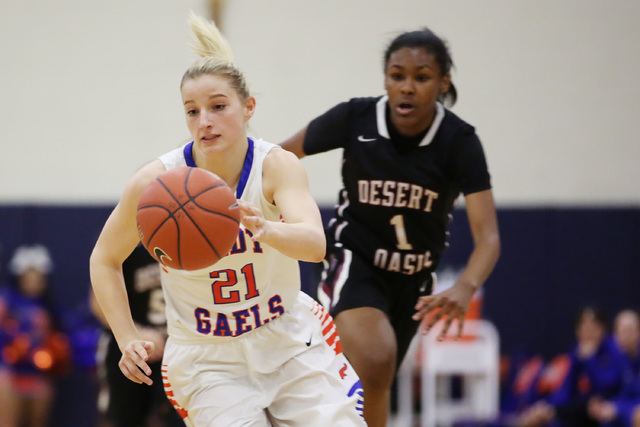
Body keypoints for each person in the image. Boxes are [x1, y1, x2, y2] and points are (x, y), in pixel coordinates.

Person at [89, 13, 365, 427]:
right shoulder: (156, 183)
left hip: (286, 339)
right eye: (192, 111)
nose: (205, 121)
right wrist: (127, 337)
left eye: (218, 107)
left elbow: (315, 243)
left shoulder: (276, 166)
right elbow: (104, 260)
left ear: (248, 107)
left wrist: (268, 229)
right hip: (208, 358)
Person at [280, 27, 501, 426]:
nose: (408, 88)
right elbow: (279, 157)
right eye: (397, 76)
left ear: (442, 82)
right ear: (385, 79)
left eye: (421, 77)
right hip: (354, 260)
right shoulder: (356, 117)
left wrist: (466, 286)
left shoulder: (459, 141)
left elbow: (489, 237)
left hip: (413, 280)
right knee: (376, 361)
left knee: (370, 383)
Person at [90, 244, 185, 427]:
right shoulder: (127, 239)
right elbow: (97, 302)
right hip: (129, 346)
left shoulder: (194, 241)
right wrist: (135, 333)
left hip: (178, 347)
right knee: (121, 419)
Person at [519, 306, 628, 427]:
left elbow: (608, 385)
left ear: (603, 329)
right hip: (583, 408)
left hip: (611, 404)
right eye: (584, 328)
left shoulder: (613, 349)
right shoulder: (576, 352)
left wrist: (590, 360)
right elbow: (567, 388)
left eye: (593, 328)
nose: (588, 334)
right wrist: (550, 405)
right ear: (578, 331)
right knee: (550, 415)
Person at [0, 244, 70, 427]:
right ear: (19, 277)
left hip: (37, 374)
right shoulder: (5, 301)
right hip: (8, 373)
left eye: (39, 276)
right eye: (28, 275)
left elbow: (61, 340)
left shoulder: (49, 307)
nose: (34, 280)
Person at [588, 309, 640, 427]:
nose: (627, 335)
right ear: (616, 335)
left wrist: (619, 409)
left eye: (631, 330)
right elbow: (606, 387)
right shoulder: (613, 355)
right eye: (623, 331)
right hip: (620, 410)